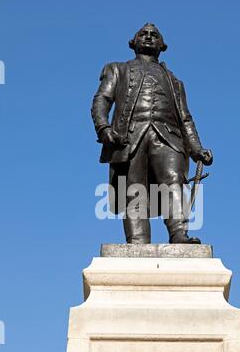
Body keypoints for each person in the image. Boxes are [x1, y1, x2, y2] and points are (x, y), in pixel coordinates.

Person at [91, 23, 213, 244]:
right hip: (129, 137)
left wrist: (196, 148)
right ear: (133, 42)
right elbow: (102, 99)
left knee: (173, 181)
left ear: (162, 45)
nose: (148, 37)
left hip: (168, 137)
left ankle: (179, 235)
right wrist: (104, 127)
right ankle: (138, 241)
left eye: (154, 35)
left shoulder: (175, 82)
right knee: (134, 189)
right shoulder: (117, 69)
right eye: (143, 34)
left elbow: (185, 118)